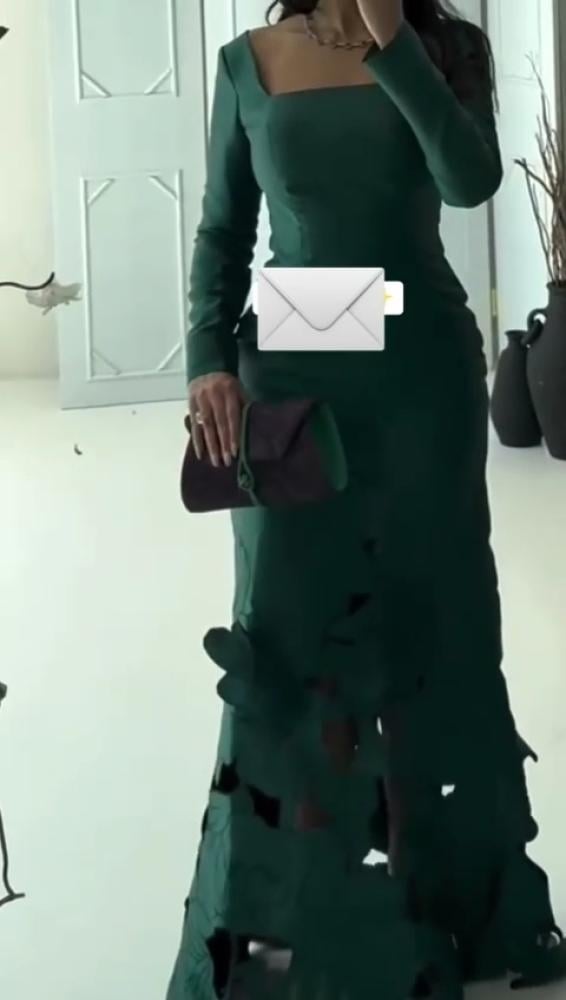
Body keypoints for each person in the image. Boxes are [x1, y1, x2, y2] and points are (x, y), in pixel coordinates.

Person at [166, 2, 566, 997]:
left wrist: (391, 41)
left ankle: (465, 912)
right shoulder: (248, 62)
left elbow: (467, 181)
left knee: (442, 626)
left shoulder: (446, 47)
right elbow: (224, 229)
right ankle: (286, 935)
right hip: (292, 376)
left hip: (419, 373)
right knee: (286, 636)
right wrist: (208, 359)